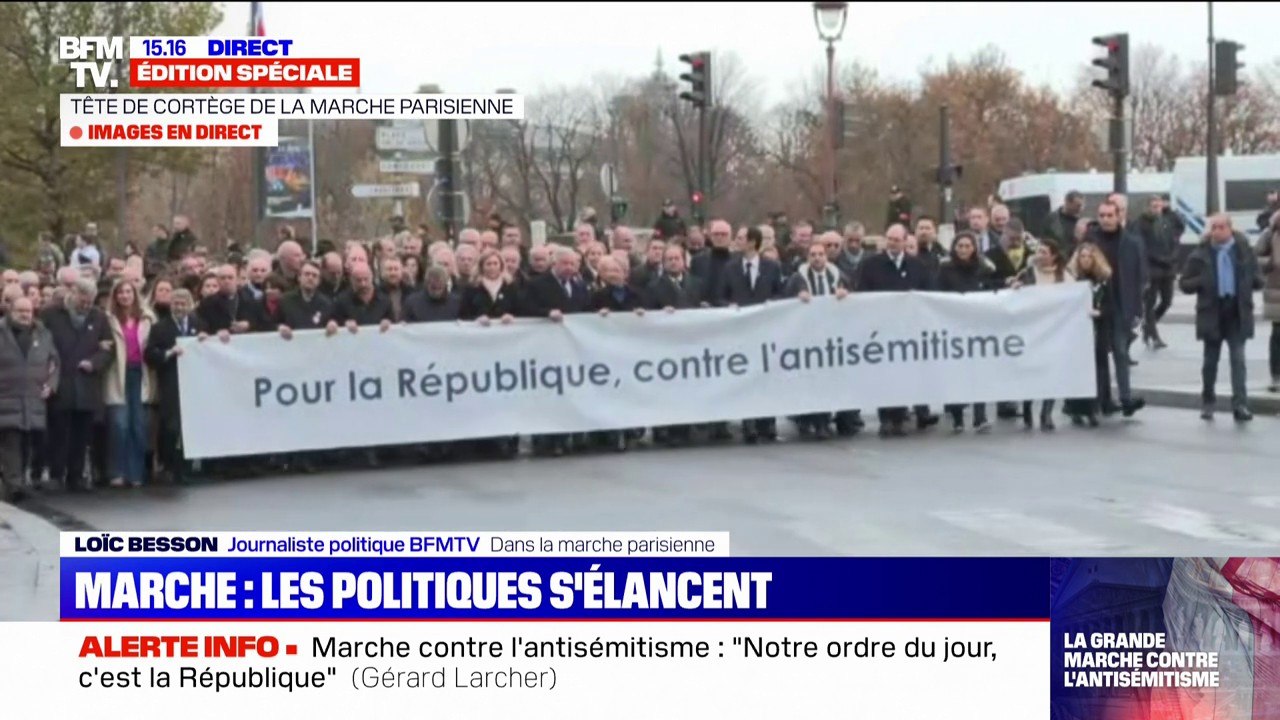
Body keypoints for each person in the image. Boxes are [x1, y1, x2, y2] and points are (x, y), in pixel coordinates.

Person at [1179, 213, 1263, 422]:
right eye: (1213, 227)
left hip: (1236, 311)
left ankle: (1240, 405)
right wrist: (1201, 281)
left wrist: (1251, 281)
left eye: (1221, 227)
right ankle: (1208, 402)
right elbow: (1184, 283)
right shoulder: (1200, 254)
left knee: (1238, 360)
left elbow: (1257, 278)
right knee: (1210, 362)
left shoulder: (1243, 251)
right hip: (1212, 312)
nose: (1216, 231)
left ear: (1230, 228)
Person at [858, 223, 934, 437]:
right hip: (882, 329)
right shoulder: (871, 265)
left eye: (896, 240)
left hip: (908, 330)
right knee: (884, 375)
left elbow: (928, 293)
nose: (892, 243)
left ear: (905, 241)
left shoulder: (917, 265)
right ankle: (886, 418)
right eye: (889, 239)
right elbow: (862, 294)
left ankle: (900, 417)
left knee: (903, 374)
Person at [41, 278, 112, 491]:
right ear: (73, 293)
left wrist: (94, 363)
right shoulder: (51, 314)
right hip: (60, 380)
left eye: (90, 301)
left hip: (86, 382)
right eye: (83, 300)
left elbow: (107, 350)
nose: (86, 305)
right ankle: (56, 474)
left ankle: (76, 475)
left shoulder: (99, 318)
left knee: (82, 433)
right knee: (59, 431)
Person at [521, 247, 591, 457]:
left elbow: (586, 310)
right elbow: (525, 309)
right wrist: (546, 313)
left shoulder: (579, 286)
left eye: (573, 264)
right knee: (550, 395)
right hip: (547, 349)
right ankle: (549, 440)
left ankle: (575, 436)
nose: (569, 268)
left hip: (573, 349)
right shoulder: (537, 284)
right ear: (555, 263)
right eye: (565, 263)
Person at [718, 227, 784, 444]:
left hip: (766, 330)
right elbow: (721, 296)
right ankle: (749, 423)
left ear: (753, 242)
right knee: (746, 377)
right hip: (741, 331)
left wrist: (772, 303)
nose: (738, 241)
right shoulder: (730, 268)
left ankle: (768, 422)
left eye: (742, 238)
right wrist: (729, 306)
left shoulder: (772, 267)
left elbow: (780, 293)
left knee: (767, 376)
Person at [785, 239, 851, 440]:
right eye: (813, 255)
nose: (817, 258)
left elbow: (854, 295)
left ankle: (827, 421)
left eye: (821, 254)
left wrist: (845, 294)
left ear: (826, 257)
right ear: (808, 258)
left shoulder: (838, 276)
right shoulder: (798, 278)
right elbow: (785, 298)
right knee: (810, 381)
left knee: (829, 381)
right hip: (806, 339)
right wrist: (798, 296)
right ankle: (812, 420)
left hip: (831, 339)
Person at [1086, 200, 1147, 417]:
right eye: (1102, 215)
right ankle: (1103, 399)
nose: (1105, 219)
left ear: (1119, 216)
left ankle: (1126, 398)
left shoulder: (1132, 242)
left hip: (1122, 304)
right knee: (1099, 354)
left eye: (1110, 215)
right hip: (1097, 305)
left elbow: (1141, 277)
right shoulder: (1090, 241)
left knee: (1121, 351)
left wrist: (1138, 309)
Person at [645, 245, 705, 447]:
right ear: (663, 263)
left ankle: (691, 426)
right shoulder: (654, 286)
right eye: (669, 259)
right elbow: (648, 313)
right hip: (667, 346)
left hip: (693, 344)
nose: (673, 262)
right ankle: (672, 430)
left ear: (683, 261)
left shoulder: (697, 283)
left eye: (676, 258)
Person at [0, 297, 59, 502]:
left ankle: (18, 481)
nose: (25, 315)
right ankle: (14, 485)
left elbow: (54, 362)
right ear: (11, 311)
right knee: (12, 441)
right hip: (7, 397)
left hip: (33, 398)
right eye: (20, 311)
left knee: (27, 442)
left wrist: (51, 384)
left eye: (28, 311)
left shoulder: (43, 334)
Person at [937, 231, 996, 433]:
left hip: (977, 327)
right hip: (953, 328)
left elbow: (992, 290)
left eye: (967, 246)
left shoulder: (984, 268)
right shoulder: (945, 269)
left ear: (974, 249)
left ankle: (980, 416)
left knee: (979, 373)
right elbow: (937, 294)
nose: (963, 250)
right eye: (960, 246)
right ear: (954, 248)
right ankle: (957, 418)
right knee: (955, 374)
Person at [1012, 239, 1070, 431]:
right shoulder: (1028, 273)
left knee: (1052, 372)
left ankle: (1046, 412)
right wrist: (1016, 287)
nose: (1040, 255)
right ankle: (1027, 405)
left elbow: (1074, 297)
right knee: (1031, 371)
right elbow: (1016, 293)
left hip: (1054, 331)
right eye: (1038, 251)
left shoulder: (1064, 276)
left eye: (1044, 252)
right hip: (1032, 330)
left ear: (1054, 255)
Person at [589, 256, 646, 452]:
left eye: (617, 270)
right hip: (607, 351)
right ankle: (614, 432)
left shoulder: (637, 294)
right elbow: (585, 316)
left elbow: (650, 314)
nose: (613, 275)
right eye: (609, 271)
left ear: (625, 273)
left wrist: (642, 314)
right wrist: (597, 316)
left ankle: (633, 428)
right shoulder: (597, 296)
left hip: (631, 350)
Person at [104, 279, 156, 488]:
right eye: (121, 292)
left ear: (134, 294)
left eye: (128, 292)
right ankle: (117, 471)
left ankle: (135, 473)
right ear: (115, 296)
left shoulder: (147, 318)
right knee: (119, 425)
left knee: (138, 425)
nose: (125, 296)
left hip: (139, 373)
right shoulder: (108, 319)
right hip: (117, 374)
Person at [144, 288, 200, 483]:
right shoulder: (159, 328)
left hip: (194, 384)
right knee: (171, 427)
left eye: (183, 304)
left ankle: (187, 468)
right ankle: (170, 466)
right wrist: (168, 353)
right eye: (176, 303)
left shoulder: (199, 324)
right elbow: (150, 354)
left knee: (190, 426)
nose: (180, 307)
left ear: (190, 305)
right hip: (170, 383)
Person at [1065, 242, 1112, 428]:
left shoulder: (1103, 279)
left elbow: (1111, 303)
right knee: (1076, 370)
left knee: (1096, 370)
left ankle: (1093, 408)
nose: (1085, 260)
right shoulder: (1071, 279)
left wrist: (1101, 312)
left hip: (1097, 329)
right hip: (1076, 331)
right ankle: (1074, 408)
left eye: (1089, 257)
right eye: (1082, 256)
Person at [1138, 195, 1185, 349]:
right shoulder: (1141, 224)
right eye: (1154, 206)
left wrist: (1172, 257)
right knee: (1150, 303)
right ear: (1147, 207)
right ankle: (1154, 335)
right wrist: (1159, 258)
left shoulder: (1166, 221)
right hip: (1152, 269)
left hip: (1168, 269)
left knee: (1167, 301)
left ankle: (1148, 326)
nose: (1157, 209)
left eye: (1159, 206)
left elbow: (1177, 235)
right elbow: (1142, 247)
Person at [1253, 210, 1279, 393]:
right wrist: (1270, 262)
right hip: (1277, 291)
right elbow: (1255, 257)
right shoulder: (1271, 232)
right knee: (1278, 335)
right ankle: (1276, 375)